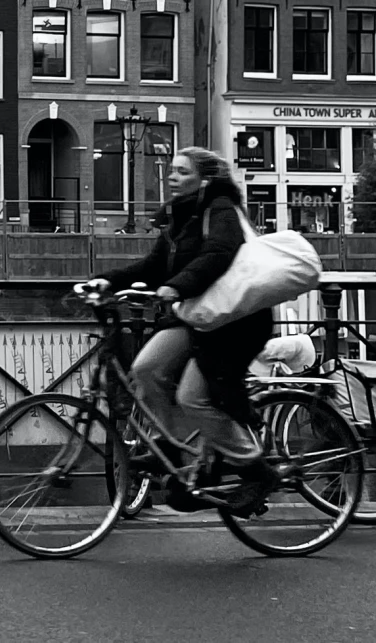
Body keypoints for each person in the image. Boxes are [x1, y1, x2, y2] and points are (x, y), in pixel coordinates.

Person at [81, 146, 277, 504]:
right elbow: (153, 266)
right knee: (146, 368)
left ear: (205, 179)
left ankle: (255, 471)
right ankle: (169, 452)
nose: (172, 177)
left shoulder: (221, 210)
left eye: (183, 172)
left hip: (236, 322)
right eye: (172, 170)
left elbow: (219, 252)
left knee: (193, 397)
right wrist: (105, 281)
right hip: (199, 316)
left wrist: (177, 286)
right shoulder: (180, 219)